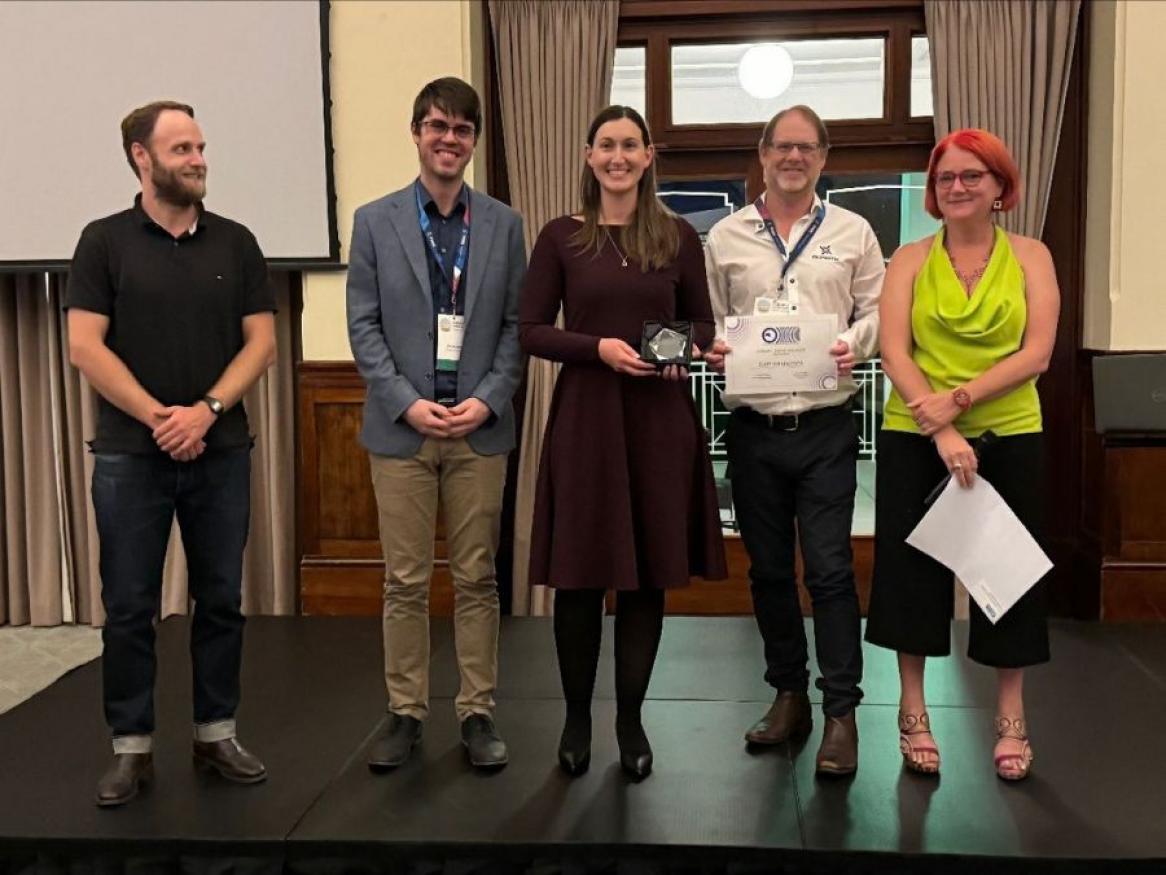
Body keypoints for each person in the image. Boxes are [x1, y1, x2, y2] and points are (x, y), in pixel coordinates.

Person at [66, 101, 276, 807]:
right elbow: (84, 345)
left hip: (220, 450)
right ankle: (131, 748)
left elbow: (262, 343)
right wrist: (159, 417)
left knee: (220, 598)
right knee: (129, 605)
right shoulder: (102, 242)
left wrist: (206, 411)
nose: (198, 159)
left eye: (200, 146)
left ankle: (216, 733)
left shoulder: (237, 243)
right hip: (132, 453)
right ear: (141, 157)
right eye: (182, 148)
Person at [519, 105, 727, 781]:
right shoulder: (560, 238)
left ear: (647, 156)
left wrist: (682, 350)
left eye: (629, 145)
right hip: (586, 416)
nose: (617, 156)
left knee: (644, 581)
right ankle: (578, 717)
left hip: (659, 421)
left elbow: (700, 322)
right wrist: (598, 348)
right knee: (580, 578)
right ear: (588, 156)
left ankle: (630, 718)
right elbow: (529, 330)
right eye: (606, 145)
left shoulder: (675, 236)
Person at [865, 128, 1058, 781]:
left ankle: (1010, 714)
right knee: (909, 575)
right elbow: (894, 350)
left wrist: (964, 401)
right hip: (915, 432)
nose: (957, 187)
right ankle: (913, 710)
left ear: (1000, 186)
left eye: (972, 176)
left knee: (1007, 577)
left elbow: (1037, 353)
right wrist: (941, 428)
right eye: (945, 177)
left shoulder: (1032, 255)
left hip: (1009, 429)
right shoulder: (910, 258)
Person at [347, 77, 525, 772]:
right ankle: (405, 712)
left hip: (480, 427)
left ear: (474, 141)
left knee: (478, 577)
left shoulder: (505, 225)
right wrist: (404, 400)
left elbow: (517, 326)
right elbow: (362, 323)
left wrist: (487, 398)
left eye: (461, 128)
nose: (448, 139)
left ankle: (477, 710)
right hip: (403, 430)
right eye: (436, 126)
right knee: (405, 580)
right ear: (416, 132)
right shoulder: (374, 220)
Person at [703, 105, 884, 776]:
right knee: (770, 571)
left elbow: (875, 311)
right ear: (762, 152)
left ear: (823, 157)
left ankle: (842, 711)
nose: (793, 157)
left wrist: (853, 343)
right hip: (752, 431)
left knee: (832, 570)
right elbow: (712, 317)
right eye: (782, 145)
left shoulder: (854, 231)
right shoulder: (723, 236)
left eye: (806, 147)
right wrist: (717, 345)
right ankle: (789, 693)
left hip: (827, 425)